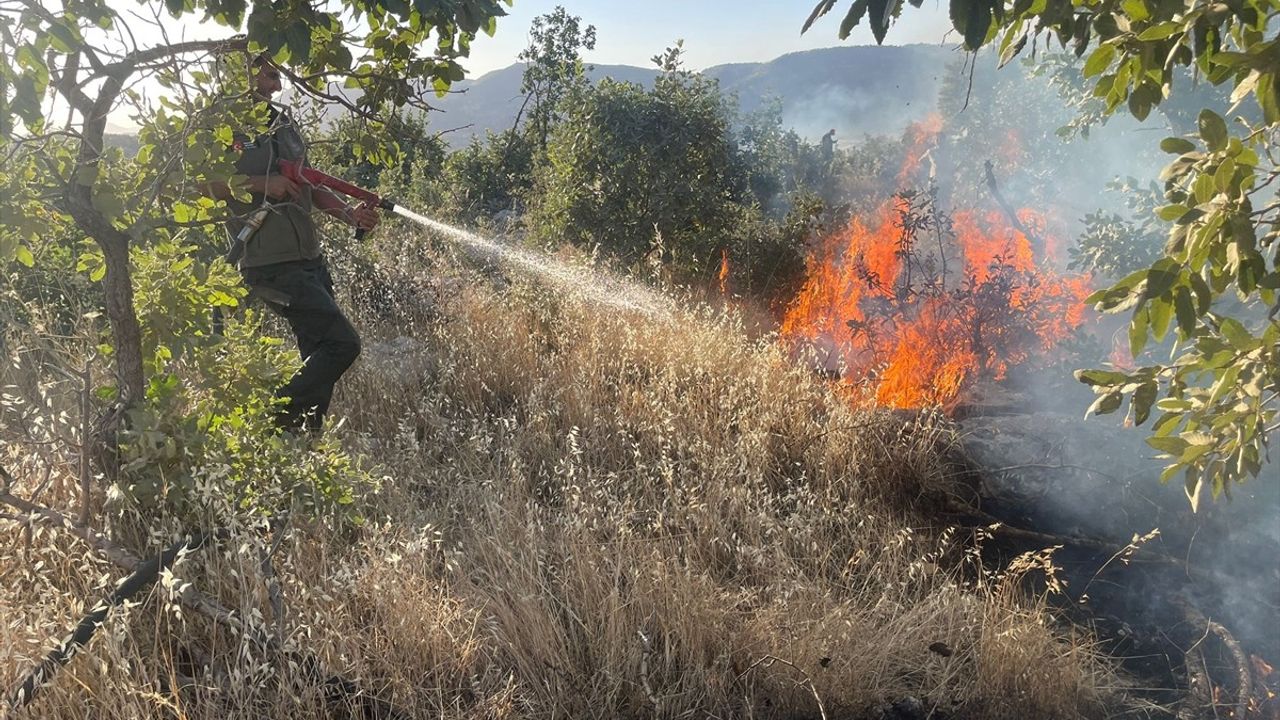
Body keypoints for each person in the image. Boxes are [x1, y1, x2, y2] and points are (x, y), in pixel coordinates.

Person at [207, 57, 379, 434]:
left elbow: (309, 185)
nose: (276, 85)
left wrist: (349, 213)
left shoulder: (283, 122)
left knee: (317, 358)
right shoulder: (218, 124)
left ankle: (303, 445)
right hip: (268, 262)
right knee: (342, 345)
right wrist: (261, 183)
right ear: (243, 71)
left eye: (279, 76)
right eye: (270, 75)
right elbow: (200, 185)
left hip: (309, 261)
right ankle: (269, 426)